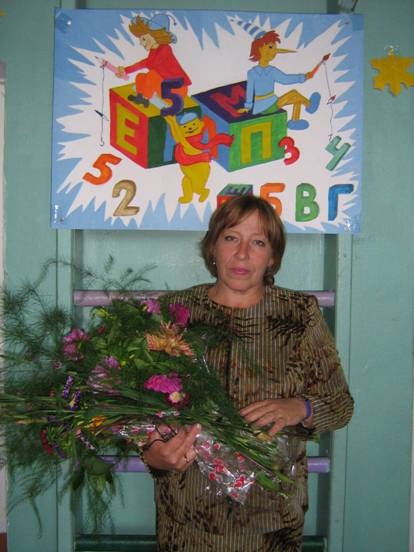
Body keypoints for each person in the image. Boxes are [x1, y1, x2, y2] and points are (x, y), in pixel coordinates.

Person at [142, 195, 354, 551]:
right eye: (231, 238)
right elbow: (142, 408)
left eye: (257, 242)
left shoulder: (299, 314)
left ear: (272, 257)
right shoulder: (176, 312)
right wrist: (152, 453)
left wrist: (300, 407)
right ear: (213, 247)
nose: (242, 254)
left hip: (272, 525)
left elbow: (341, 405)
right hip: (185, 520)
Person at [238, 31, 321, 130]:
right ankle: (309, 106)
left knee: (295, 97)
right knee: (294, 94)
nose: (274, 52)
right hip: (269, 105)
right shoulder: (270, 71)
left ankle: (295, 121)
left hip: (262, 106)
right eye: (270, 47)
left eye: (275, 49)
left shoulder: (253, 72)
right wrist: (304, 77)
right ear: (259, 48)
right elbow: (285, 79)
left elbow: (250, 91)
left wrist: (248, 107)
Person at [116, 14, 191, 110]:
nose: (141, 43)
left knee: (152, 74)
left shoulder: (166, 49)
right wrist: (126, 70)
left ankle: (145, 97)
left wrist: (126, 70)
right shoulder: (154, 50)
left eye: (143, 39)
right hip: (164, 86)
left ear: (156, 35)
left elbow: (150, 64)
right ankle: (140, 97)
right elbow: (145, 63)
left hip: (176, 90)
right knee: (140, 76)